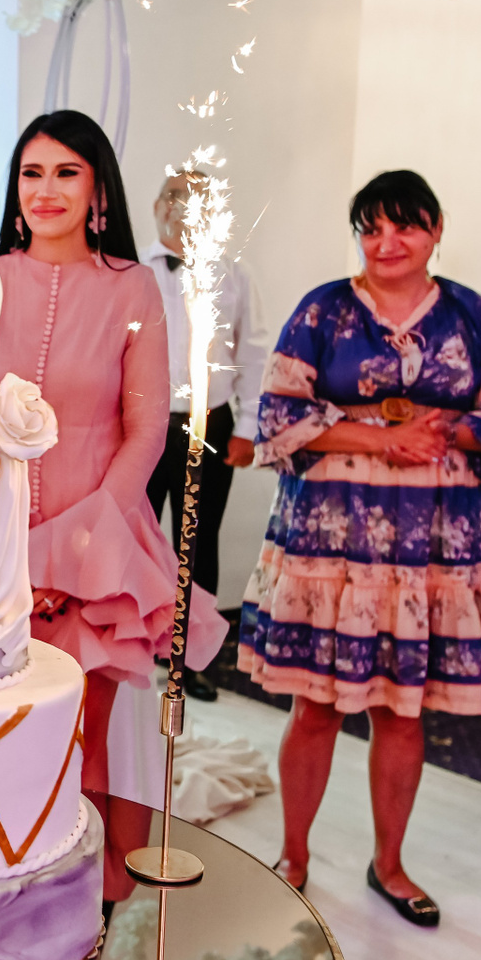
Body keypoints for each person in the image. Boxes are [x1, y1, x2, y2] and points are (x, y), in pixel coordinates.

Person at [238, 170, 481, 927]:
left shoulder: (469, 313)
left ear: (435, 229)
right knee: (315, 705)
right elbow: (277, 413)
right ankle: (293, 857)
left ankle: (391, 865)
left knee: (403, 710)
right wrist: (382, 438)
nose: (387, 242)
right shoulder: (323, 308)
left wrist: (450, 432)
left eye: (404, 225)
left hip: (431, 537)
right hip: (331, 535)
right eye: (370, 228)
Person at [0, 110, 227, 916]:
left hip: (101, 546)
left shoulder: (131, 285)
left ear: (98, 191)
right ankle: (2, 902)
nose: (45, 189)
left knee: (87, 739)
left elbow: (146, 430)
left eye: (66, 172)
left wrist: (77, 551)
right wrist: (9, 555)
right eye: (32, 173)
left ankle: (84, 913)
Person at [142, 171, 273, 701]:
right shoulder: (132, 271)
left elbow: (255, 354)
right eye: (174, 196)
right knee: (136, 538)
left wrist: (248, 428)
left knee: (196, 542)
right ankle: (136, 646)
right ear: (158, 205)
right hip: (142, 425)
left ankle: (193, 659)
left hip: (210, 423)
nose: (183, 207)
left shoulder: (236, 275)